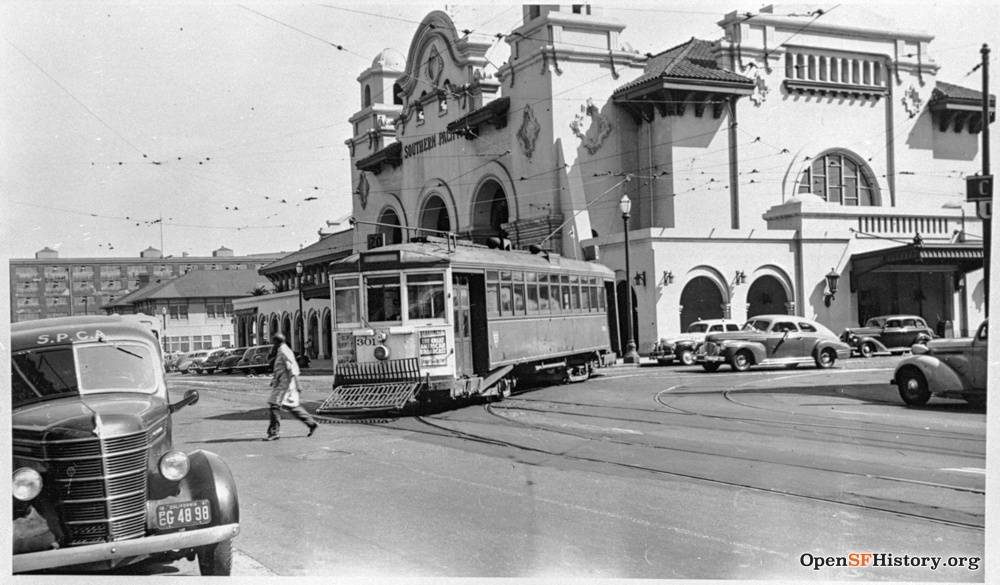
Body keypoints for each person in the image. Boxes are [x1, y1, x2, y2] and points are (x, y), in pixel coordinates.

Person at [264, 333, 318, 441]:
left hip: (285, 385)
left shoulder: (284, 351)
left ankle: (274, 432)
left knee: (274, 405)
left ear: (277, 342)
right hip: (283, 383)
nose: (272, 344)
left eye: (273, 341)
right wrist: (274, 380)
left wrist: (298, 384)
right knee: (292, 406)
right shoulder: (282, 349)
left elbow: (291, 368)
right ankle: (311, 423)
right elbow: (280, 368)